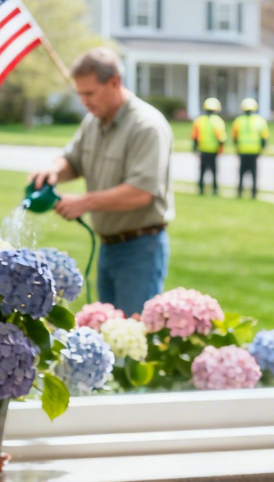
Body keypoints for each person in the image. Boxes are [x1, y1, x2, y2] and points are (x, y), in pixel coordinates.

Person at [29, 47, 173, 316]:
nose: (84, 101)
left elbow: (141, 192)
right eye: (79, 94)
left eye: (89, 93)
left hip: (140, 249)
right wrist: (53, 171)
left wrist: (83, 203)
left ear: (115, 82)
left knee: (132, 340)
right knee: (108, 335)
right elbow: (72, 160)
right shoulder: (93, 122)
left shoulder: (146, 126)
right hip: (108, 246)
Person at [231, 98, 269, 198]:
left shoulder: (238, 121)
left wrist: (238, 148)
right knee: (254, 174)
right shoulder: (260, 121)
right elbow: (264, 138)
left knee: (241, 173)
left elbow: (234, 137)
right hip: (254, 152)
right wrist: (261, 149)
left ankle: (239, 192)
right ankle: (253, 194)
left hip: (242, 151)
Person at [191, 97, 226, 195]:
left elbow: (195, 137)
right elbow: (221, 139)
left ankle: (201, 189)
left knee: (202, 171)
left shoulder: (199, 120)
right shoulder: (218, 121)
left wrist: (194, 149)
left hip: (203, 150)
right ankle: (214, 189)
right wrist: (220, 150)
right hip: (214, 151)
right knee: (214, 171)